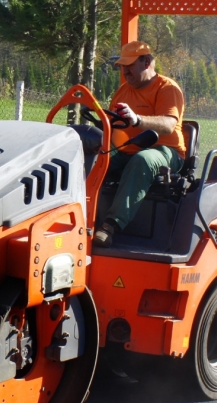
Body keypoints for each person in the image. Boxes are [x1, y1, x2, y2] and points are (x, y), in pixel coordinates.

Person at [93, 40, 186, 247]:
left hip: (165, 152)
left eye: (130, 65)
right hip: (128, 148)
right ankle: (80, 217)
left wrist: (138, 119)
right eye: (123, 66)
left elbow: (169, 124)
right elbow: (113, 125)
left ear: (145, 62)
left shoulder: (167, 88)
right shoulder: (123, 90)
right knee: (93, 158)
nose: (125, 71)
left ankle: (110, 225)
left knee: (143, 160)